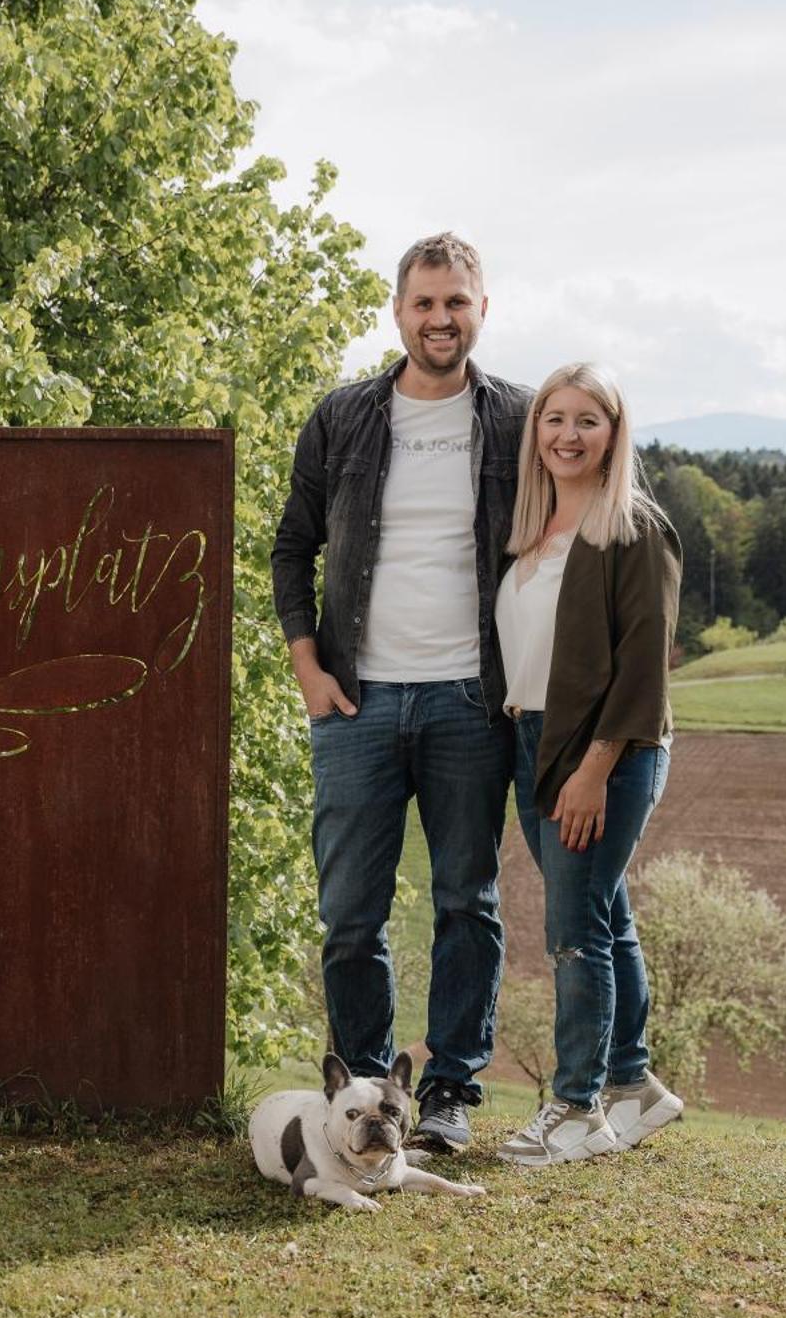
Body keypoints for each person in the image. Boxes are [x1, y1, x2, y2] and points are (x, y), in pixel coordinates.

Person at [271, 232, 532, 1153]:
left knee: (466, 898)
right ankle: (362, 1096)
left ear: (481, 309)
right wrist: (308, 667)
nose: (439, 319)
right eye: (423, 303)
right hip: (356, 704)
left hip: (470, 698)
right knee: (351, 913)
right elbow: (290, 546)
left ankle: (451, 1095)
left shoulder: (521, 419)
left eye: (455, 302)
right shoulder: (343, 416)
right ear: (398, 311)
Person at [493, 363, 683, 1167]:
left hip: (604, 748)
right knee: (605, 918)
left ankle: (574, 1109)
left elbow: (644, 665)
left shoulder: (632, 529)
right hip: (530, 739)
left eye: (587, 421)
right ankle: (634, 1088)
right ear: (534, 431)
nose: (567, 435)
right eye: (553, 419)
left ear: (614, 435)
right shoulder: (531, 533)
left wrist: (593, 769)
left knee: (574, 933)